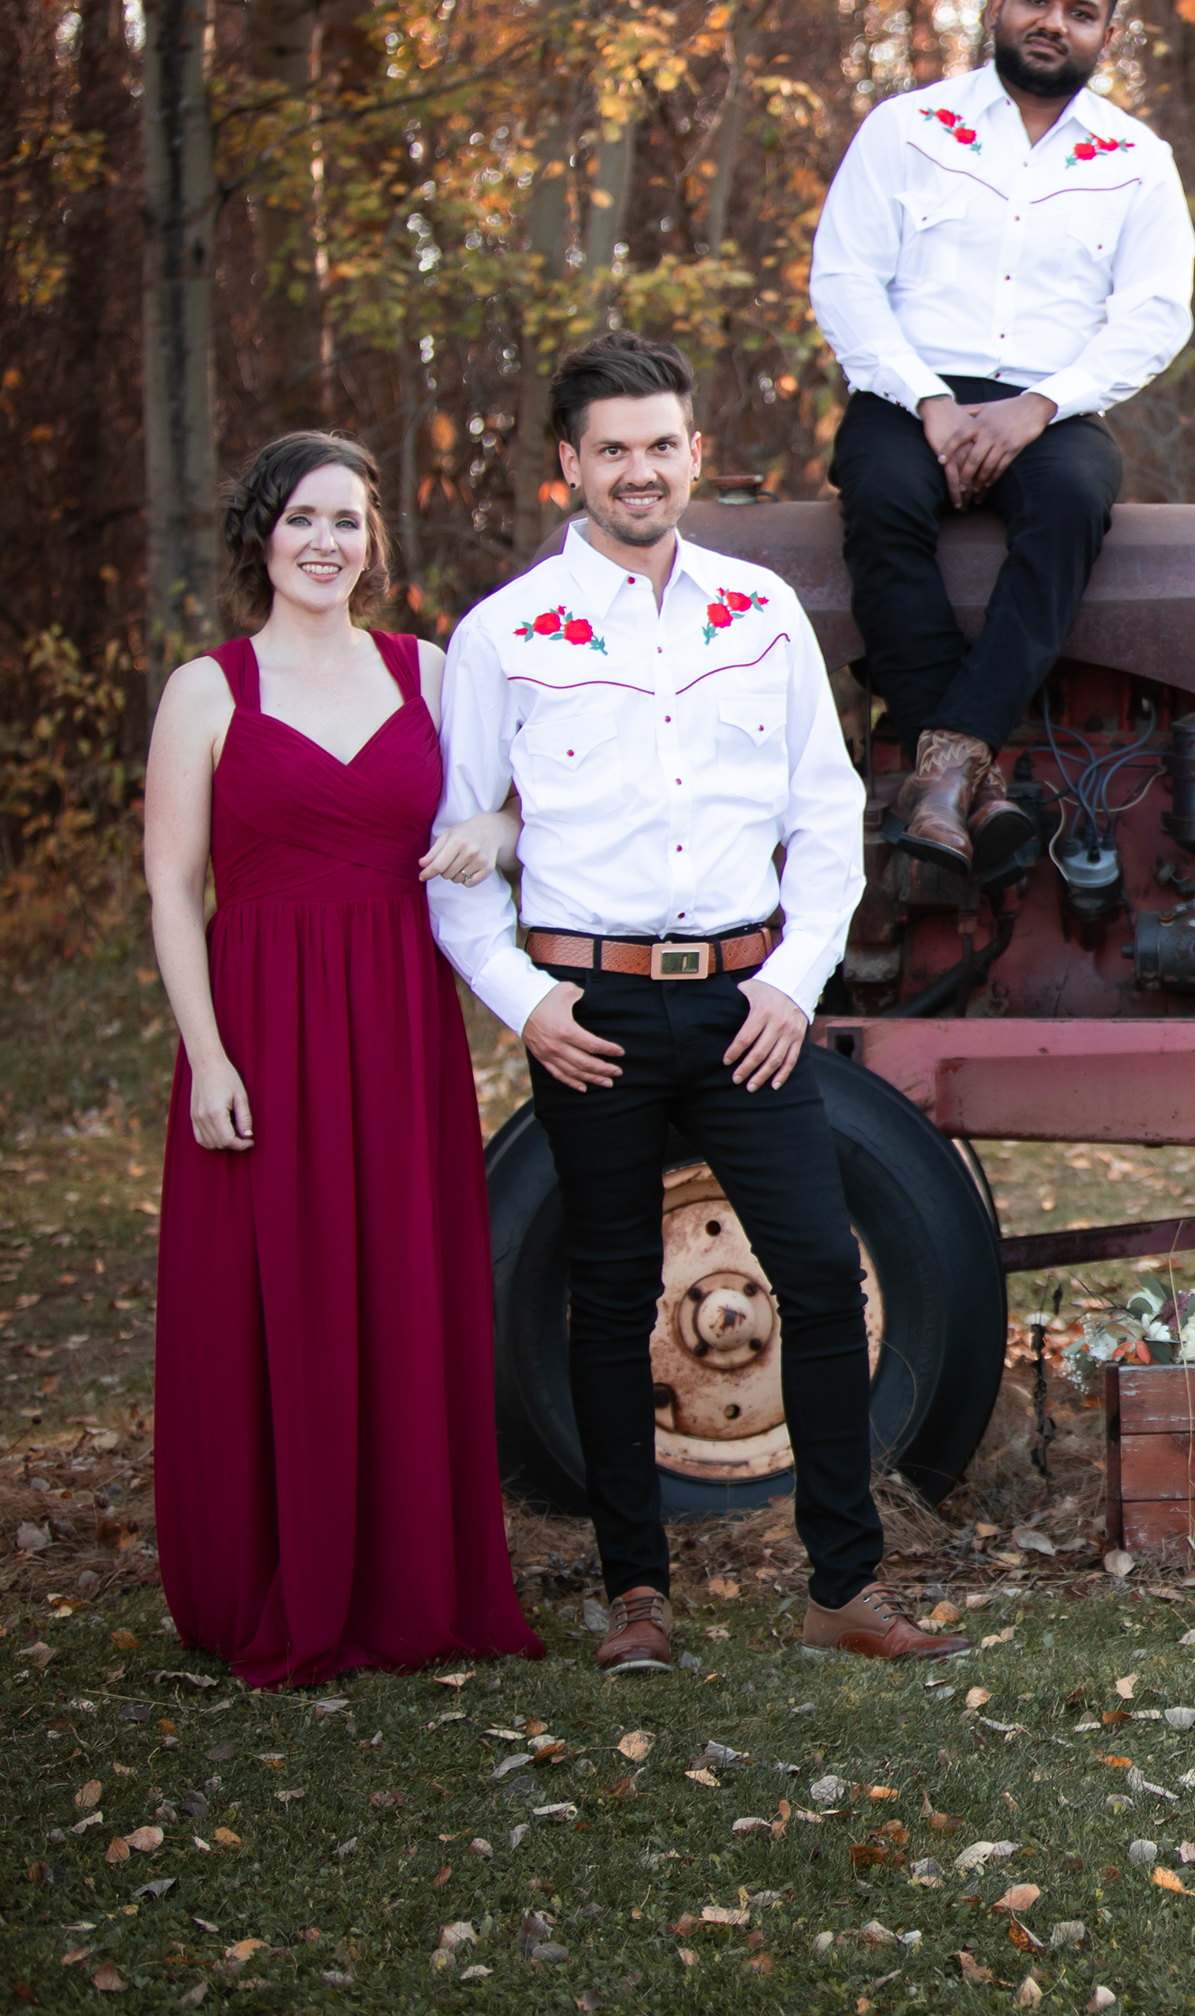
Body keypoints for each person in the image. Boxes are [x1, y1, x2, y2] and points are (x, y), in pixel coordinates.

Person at [432, 334, 967, 1671]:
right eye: (612, 448)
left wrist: (792, 979)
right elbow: (453, 856)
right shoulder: (503, 636)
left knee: (821, 1282)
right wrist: (519, 999)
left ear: (692, 453)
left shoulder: (758, 612)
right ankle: (635, 1595)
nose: (639, 470)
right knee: (610, 1295)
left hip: (745, 1005)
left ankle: (843, 1582)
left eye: (660, 444)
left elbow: (827, 814)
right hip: (589, 1010)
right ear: (569, 463)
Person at [142, 434, 542, 1686]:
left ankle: (406, 1579)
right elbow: (168, 886)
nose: (328, 542)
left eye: (351, 522)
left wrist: (494, 823)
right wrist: (206, 1056)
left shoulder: (428, 672)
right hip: (261, 1021)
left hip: (397, 1019)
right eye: (304, 518)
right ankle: (274, 1574)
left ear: (376, 543)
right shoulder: (209, 690)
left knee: (399, 1284)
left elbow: (536, 799)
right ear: (263, 533)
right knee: (274, 1290)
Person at [809, 0, 1193, 876]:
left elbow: (1155, 315)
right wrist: (932, 402)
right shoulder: (909, 129)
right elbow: (845, 281)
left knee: (1071, 502)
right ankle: (966, 779)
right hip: (908, 391)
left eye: (1078, 11)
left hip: (1051, 409)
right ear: (999, 5)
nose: (1051, 22)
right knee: (883, 496)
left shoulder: (1136, 159)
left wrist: (1039, 406)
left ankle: (938, 777)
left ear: (1106, 33)